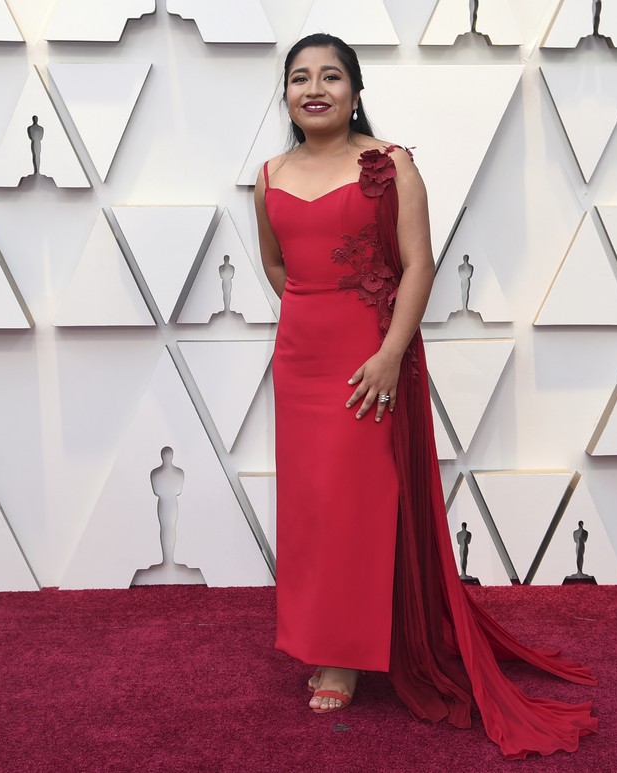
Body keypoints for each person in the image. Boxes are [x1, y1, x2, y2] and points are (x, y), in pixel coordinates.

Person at [254, 33, 597, 759]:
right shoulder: (270, 174)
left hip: (369, 360)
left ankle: (344, 653)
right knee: (312, 504)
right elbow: (279, 265)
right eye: (299, 78)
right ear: (285, 94)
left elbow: (419, 264)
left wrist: (385, 351)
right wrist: (314, 313)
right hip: (300, 361)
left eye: (331, 76)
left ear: (355, 89)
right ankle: (323, 637)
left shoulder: (390, 165)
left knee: (358, 498)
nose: (314, 88)